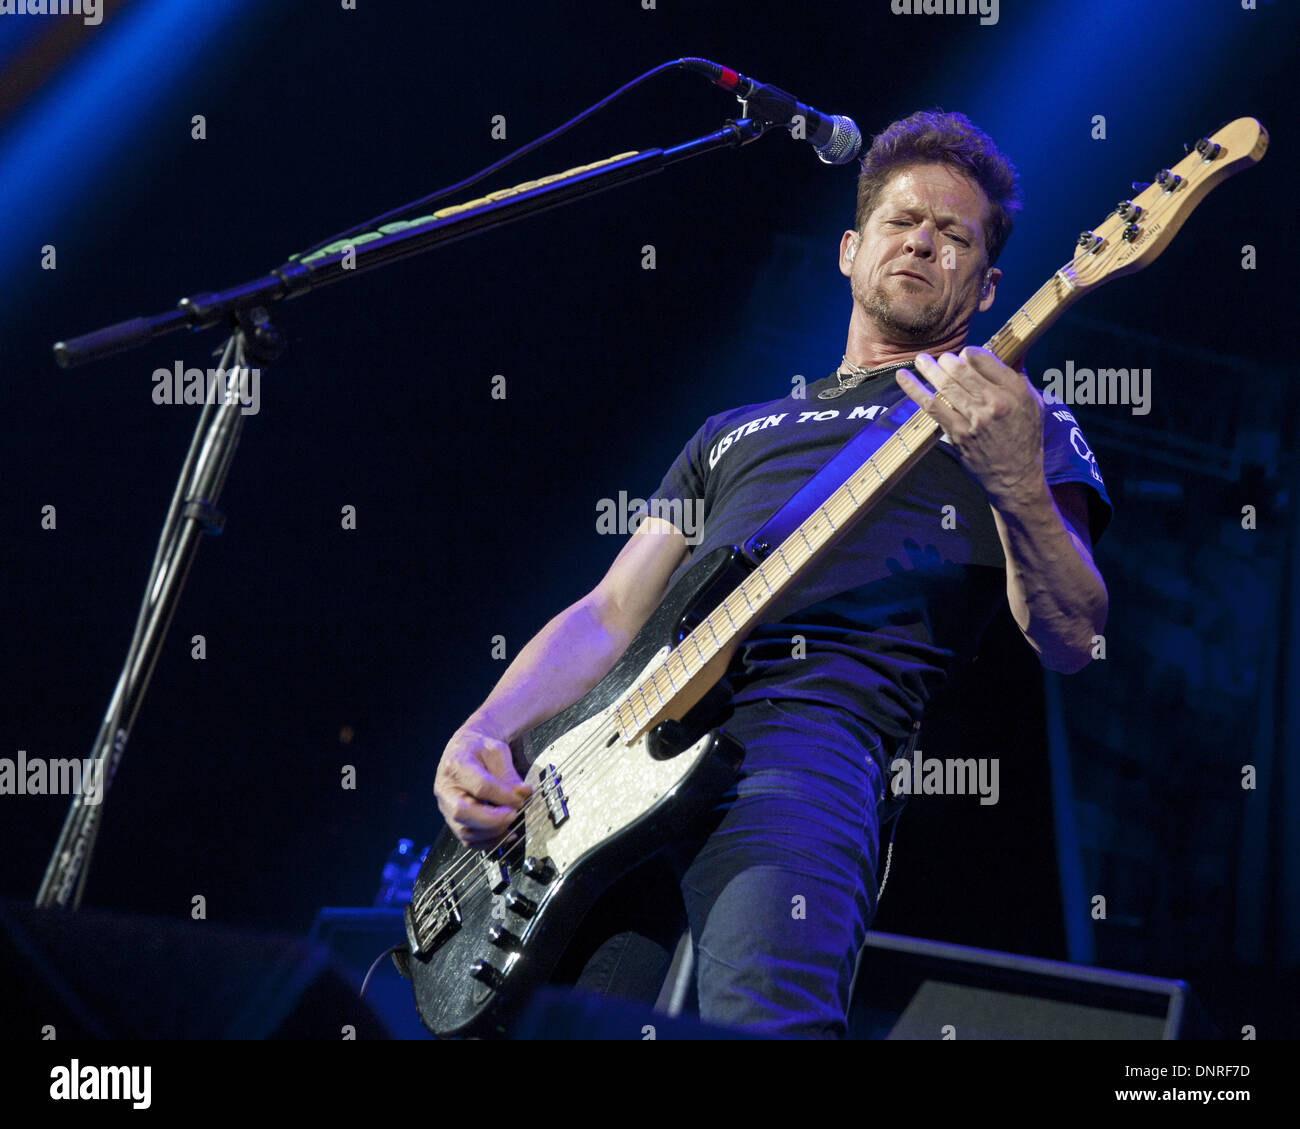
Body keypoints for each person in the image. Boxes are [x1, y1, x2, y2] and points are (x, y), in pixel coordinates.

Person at [432, 110, 1111, 1038]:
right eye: (901, 220)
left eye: (953, 235)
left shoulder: (1017, 418)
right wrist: (484, 730)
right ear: (849, 248)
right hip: (609, 761)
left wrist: (1012, 481)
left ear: (989, 286)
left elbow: (1073, 634)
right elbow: (609, 612)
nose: (921, 239)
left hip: (806, 749)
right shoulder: (731, 431)